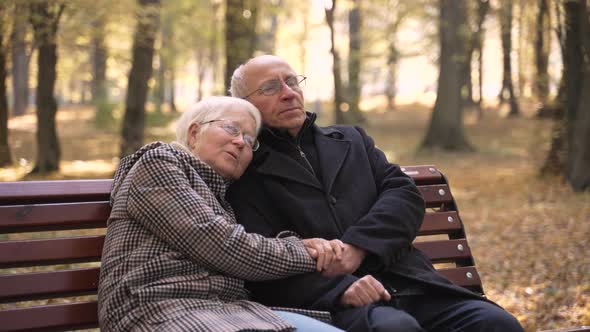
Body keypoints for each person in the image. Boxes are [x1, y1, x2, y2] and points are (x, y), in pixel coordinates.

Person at [227, 55, 525, 332]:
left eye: (291, 81)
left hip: (410, 283)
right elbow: (255, 259)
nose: (289, 93)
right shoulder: (244, 172)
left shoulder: (352, 139)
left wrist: (359, 246)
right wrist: (340, 289)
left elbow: (404, 195)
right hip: (333, 303)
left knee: (496, 323)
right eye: (270, 88)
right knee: (396, 329)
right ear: (244, 105)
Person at [97, 96, 346, 332]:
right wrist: (307, 252)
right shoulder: (159, 162)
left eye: (250, 141)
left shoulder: (224, 195)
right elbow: (224, 245)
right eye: (231, 128)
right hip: (158, 309)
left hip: (228, 312)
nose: (240, 142)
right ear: (194, 134)